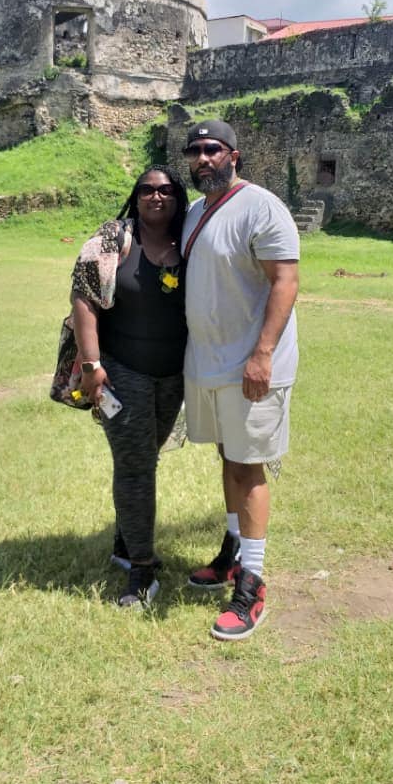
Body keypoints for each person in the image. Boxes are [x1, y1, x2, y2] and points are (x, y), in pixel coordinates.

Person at [180, 120, 299, 641]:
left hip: (252, 363)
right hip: (209, 362)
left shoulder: (261, 206)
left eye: (212, 149)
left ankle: (252, 585)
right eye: (194, 151)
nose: (202, 158)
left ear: (234, 155)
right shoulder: (192, 213)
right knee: (229, 456)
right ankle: (232, 554)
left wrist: (263, 354)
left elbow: (286, 280)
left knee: (249, 467)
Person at [71, 165, 188, 608]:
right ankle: (141, 570)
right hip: (122, 372)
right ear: (135, 197)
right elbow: (83, 296)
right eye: (146, 190)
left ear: (177, 197)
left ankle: (124, 542)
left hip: (173, 375)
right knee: (137, 466)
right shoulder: (114, 237)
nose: (155, 197)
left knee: (145, 457)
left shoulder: (188, 242)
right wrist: (91, 364)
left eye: (165, 190)